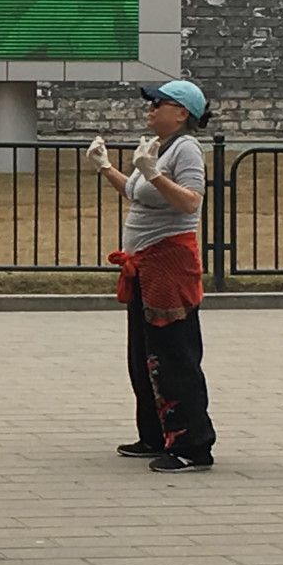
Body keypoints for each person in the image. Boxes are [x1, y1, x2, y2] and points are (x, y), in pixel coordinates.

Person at [87, 79, 217, 473]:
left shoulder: (187, 149)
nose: (150, 109)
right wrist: (106, 166)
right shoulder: (160, 149)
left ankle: (192, 446)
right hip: (143, 263)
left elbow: (191, 200)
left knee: (173, 356)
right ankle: (156, 436)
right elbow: (137, 193)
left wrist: (153, 172)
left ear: (182, 113)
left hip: (169, 264)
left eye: (158, 103)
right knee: (145, 355)